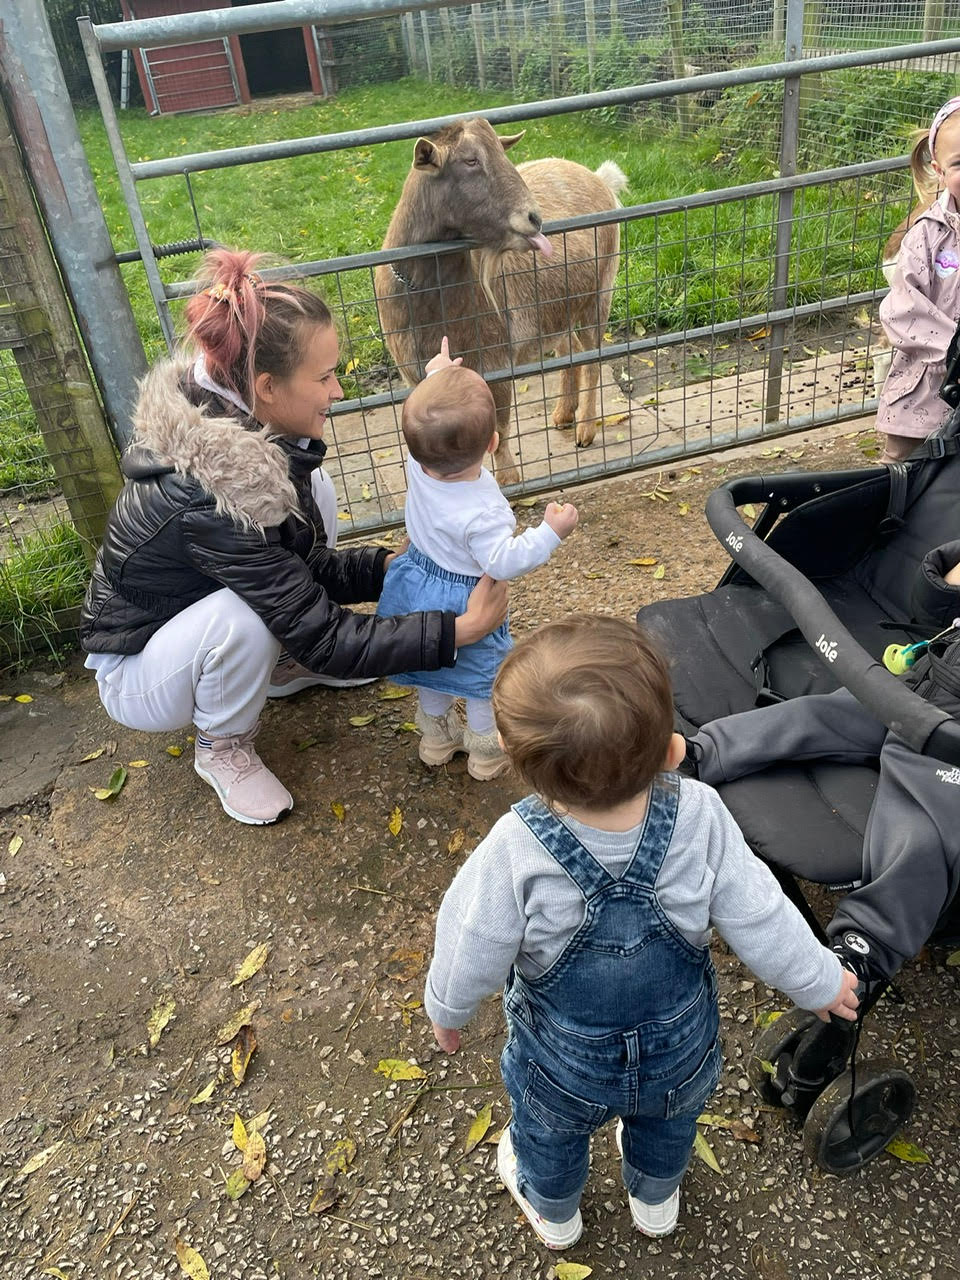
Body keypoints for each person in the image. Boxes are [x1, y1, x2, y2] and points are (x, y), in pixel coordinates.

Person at [424, 615, 859, 1250]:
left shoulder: (516, 848)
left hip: (563, 1062)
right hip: (676, 1048)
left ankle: (556, 1214)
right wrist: (820, 980)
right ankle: (655, 1199)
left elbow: (473, 942)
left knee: (549, 1135)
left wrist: (448, 1008)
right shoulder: (701, 815)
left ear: (524, 768)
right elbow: (761, 914)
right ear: (671, 750)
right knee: (668, 1120)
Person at [80, 249, 508, 826]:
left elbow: (303, 565)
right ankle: (222, 746)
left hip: (194, 615)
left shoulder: (247, 441)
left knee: (316, 493)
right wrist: (460, 630)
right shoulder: (213, 497)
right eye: (325, 376)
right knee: (245, 615)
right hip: (139, 667)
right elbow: (326, 635)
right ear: (267, 387)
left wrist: (391, 566)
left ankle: (278, 665)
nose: (337, 392)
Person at [685, 542, 960, 996]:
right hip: (923, 685)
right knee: (813, 715)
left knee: (923, 827)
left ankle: (866, 947)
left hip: (947, 745)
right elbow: (931, 603)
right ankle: (701, 754)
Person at [376, 339, 578, 780]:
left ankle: (436, 738)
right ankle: (486, 753)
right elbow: (504, 561)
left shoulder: (417, 464)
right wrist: (549, 532)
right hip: (468, 599)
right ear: (493, 443)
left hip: (417, 581)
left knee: (430, 665)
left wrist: (435, 376)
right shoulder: (483, 512)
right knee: (481, 675)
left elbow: (425, 425)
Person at [877, 95, 960, 463]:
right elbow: (902, 309)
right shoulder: (927, 234)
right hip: (925, 391)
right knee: (903, 472)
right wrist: (955, 350)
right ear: (938, 171)